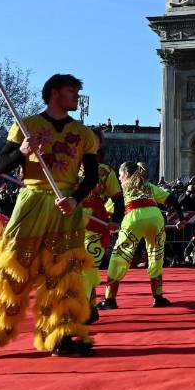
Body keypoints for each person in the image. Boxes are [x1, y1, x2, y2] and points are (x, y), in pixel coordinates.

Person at [0, 74, 101, 360]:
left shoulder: (84, 134)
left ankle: (61, 336)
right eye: (71, 91)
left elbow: (92, 176)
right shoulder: (26, 125)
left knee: (65, 273)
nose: (76, 97)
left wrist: (75, 199)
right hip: (32, 201)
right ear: (55, 93)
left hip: (66, 206)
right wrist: (22, 151)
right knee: (12, 266)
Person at [98, 162, 171, 309]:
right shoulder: (148, 186)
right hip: (156, 217)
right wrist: (182, 219)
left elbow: (108, 210)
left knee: (120, 256)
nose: (119, 178)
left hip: (133, 218)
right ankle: (158, 297)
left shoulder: (122, 189)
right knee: (156, 254)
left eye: (120, 175)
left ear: (126, 174)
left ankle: (110, 299)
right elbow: (171, 199)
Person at [79, 133, 125, 318]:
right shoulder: (68, 167)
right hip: (71, 220)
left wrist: (116, 220)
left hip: (96, 222)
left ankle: (82, 309)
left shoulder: (105, 171)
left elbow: (118, 198)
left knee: (88, 265)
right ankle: (89, 308)